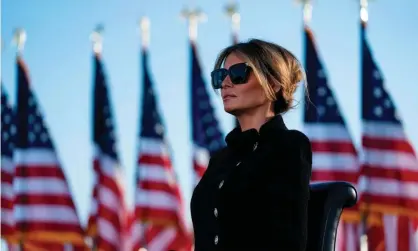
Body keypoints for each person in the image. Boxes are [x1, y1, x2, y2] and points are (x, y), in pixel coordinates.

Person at [190, 39, 313, 251]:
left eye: (238, 73)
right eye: (220, 76)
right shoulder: (219, 160)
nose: (226, 84)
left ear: (274, 84)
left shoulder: (289, 146)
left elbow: (286, 242)